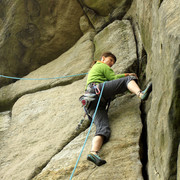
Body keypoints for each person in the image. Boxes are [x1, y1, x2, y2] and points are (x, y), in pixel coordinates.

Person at [85, 52, 152, 166]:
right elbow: (113, 78)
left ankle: (93, 152)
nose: (111, 63)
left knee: (103, 129)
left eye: (113, 62)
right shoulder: (101, 65)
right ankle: (140, 94)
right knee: (128, 80)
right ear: (103, 58)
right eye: (110, 60)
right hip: (97, 91)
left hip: (89, 102)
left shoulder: (95, 69)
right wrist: (127, 75)